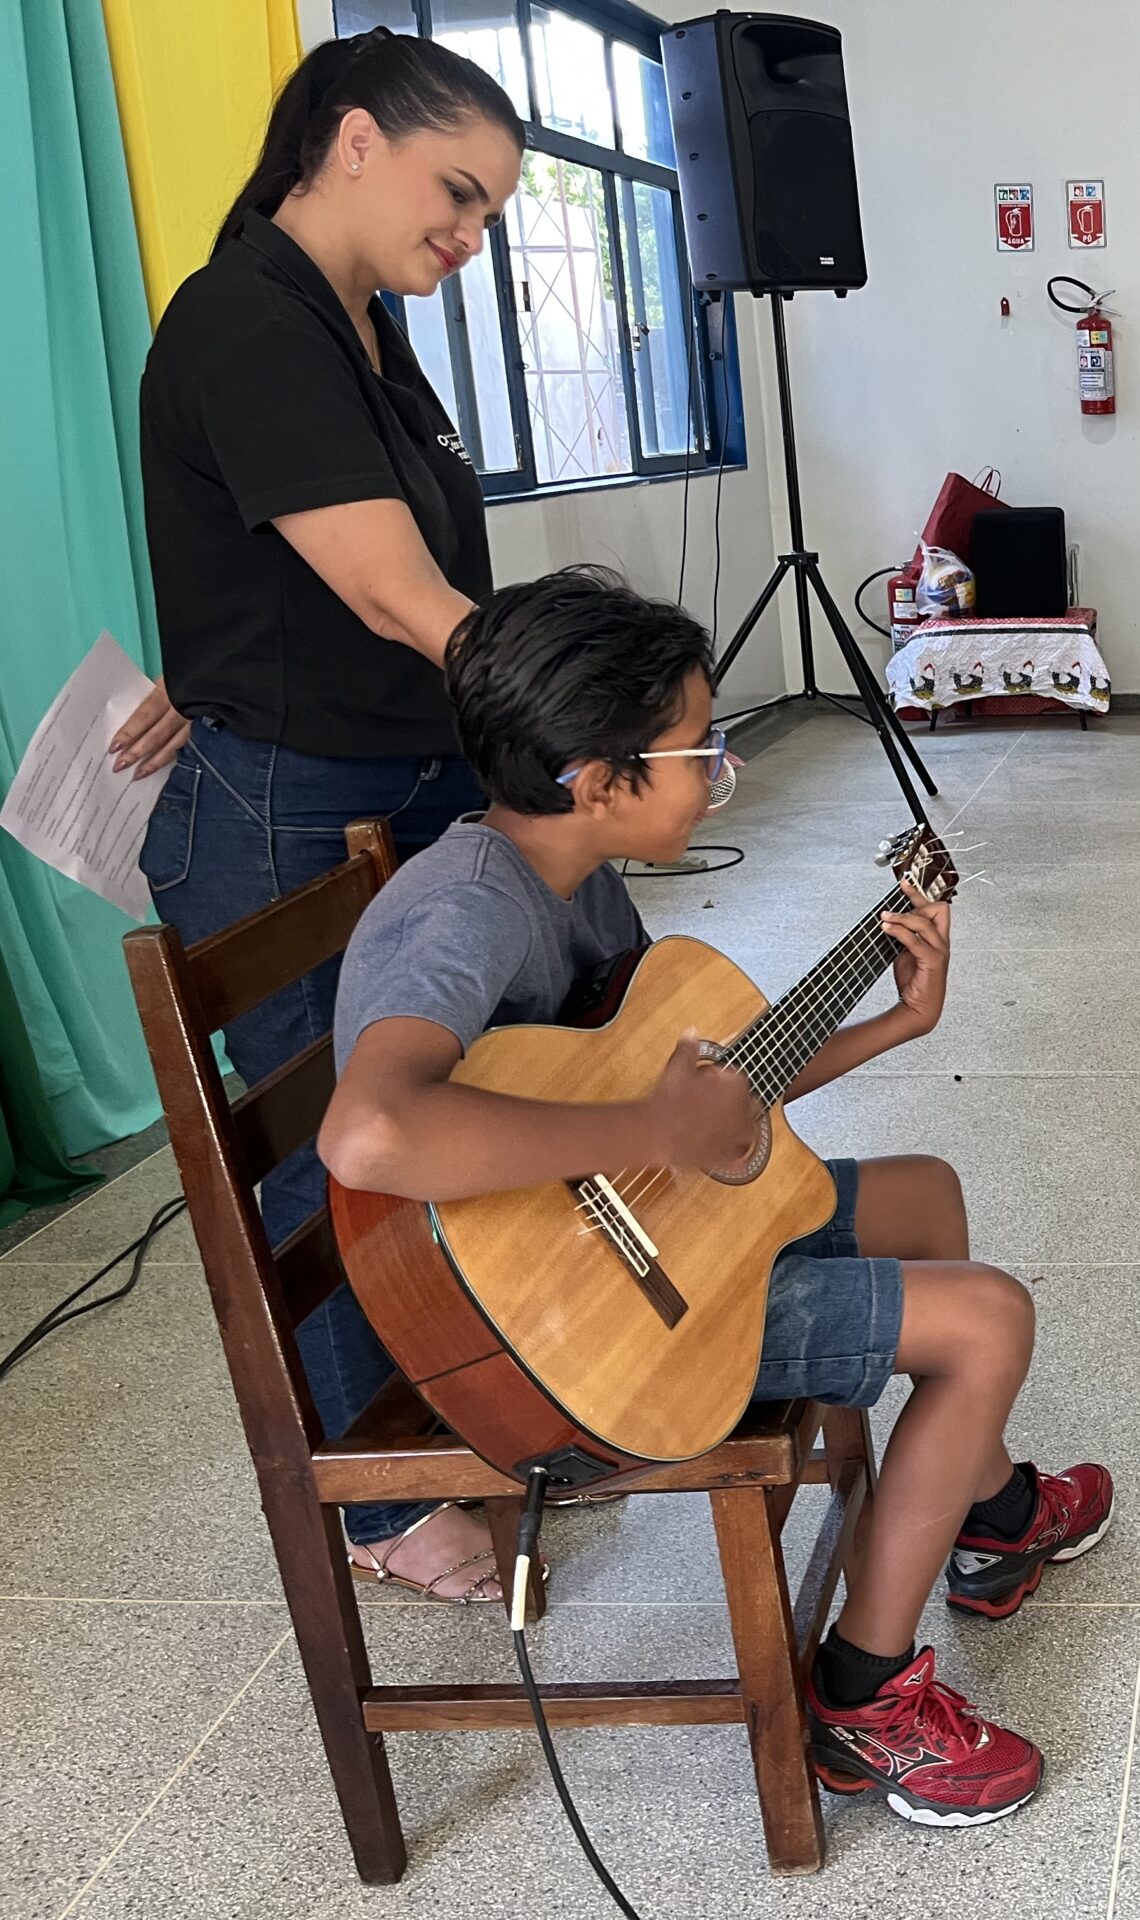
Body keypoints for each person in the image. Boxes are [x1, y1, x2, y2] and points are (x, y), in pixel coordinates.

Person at [317, 568, 1115, 1824]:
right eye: (703, 750)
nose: (720, 773)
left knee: (924, 1195)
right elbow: (370, 1133)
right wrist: (649, 1126)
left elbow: (712, 1099)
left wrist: (894, 1024)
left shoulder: (570, 873)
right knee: (989, 1319)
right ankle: (864, 1701)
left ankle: (993, 1512)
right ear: (599, 778)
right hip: (578, 1331)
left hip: (639, 1240)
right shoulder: (465, 907)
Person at [127, 29, 524, 1599]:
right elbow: (389, 590)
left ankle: (489, 1403)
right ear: (355, 139)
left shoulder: (369, 329)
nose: (472, 234)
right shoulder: (245, 317)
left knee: (481, 1099)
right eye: (458, 192)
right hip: (292, 805)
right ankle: (379, 1502)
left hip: (414, 774)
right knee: (334, 1152)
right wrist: (579, 705)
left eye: (489, 212)